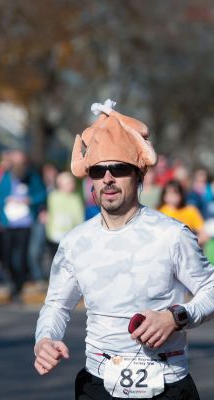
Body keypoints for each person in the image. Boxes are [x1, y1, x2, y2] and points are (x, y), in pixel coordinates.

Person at [34, 99, 214, 399]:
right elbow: (56, 306)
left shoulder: (171, 234)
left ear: (138, 175)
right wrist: (45, 340)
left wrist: (176, 317)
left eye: (119, 168)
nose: (108, 178)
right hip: (98, 382)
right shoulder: (75, 242)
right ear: (90, 179)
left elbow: (210, 288)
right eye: (98, 171)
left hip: (167, 381)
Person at [0, 150, 46, 299]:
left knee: (21, 256)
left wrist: (30, 200)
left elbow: (42, 194)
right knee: (7, 256)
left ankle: (19, 285)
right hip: (8, 224)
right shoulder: (5, 178)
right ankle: (13, 282)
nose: (19, 166)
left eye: (21, 163)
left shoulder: (32, 177)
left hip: (26, 223)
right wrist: (6, 201)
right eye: (16, 163)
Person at [158, 180, 209, 247]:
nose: (172, 196)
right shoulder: (159, 213)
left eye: (175, 192)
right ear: (164, 196)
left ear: (181, 194)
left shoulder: (190, 210)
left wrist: (189, 243)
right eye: (169, 193)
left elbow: (204, 235)